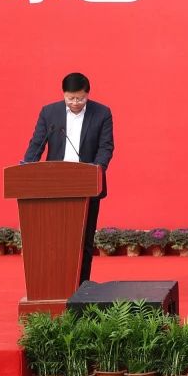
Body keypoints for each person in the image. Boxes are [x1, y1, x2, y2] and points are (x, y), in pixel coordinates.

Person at [23, 72, 114, 284]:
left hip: (87, 183)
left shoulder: (102, 113)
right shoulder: (49, 112)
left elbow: (106, 147)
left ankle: (82, 285)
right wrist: (27, 167)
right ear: (63, 94)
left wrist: (96, 170)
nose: (75, 103)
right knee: (53, 240)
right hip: (54, 185)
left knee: (84, 240)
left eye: (80, 98)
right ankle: (54, 284)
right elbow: (37, 144)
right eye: (70, 98)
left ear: (87, 94)